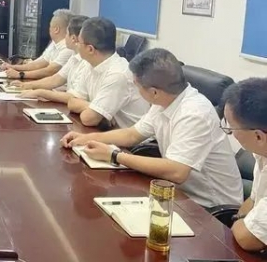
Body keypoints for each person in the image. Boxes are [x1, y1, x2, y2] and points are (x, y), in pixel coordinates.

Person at [60, 48, 242, 209]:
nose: (136, 89)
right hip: (176, 193)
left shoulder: (194, 114)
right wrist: (87, 138)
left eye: (137, 86)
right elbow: (132, 135)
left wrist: (114, 156)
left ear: (154, 92)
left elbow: (177, 172)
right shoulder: (165, 100)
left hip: (209, 207)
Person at [66, 17, 148, 128]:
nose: (77, 45)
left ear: (90, 49)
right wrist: (94, 108)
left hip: (128, 137)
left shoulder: (118, 74)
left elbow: (88, 119)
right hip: (107, 130)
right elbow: (72, 102)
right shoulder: (90, 65)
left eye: (79, 42)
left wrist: (94, 111)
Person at [222, 78, 267, 251]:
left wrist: (242, 224)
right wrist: (241, 221)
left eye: (231, 128)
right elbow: (254, 200)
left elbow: (247, 238)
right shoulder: (262, 153)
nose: (231, 133)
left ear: (258, 136)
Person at [18, 15, 90, 103]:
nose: (65, 37)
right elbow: (56, 79)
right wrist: (27, 85)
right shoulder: (74, 56)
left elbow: (74, 98)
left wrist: (40, 92)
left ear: (73, 38)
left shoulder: (87, 62)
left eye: (66, 34)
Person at [3, 9, 75, 80]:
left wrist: (20, 74)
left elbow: (50, 71)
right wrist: (13, 67)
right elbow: (39, 64)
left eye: (50, 26)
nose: (49, 29)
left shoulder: (68, 48)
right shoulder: (54, 43)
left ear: (56, 29)